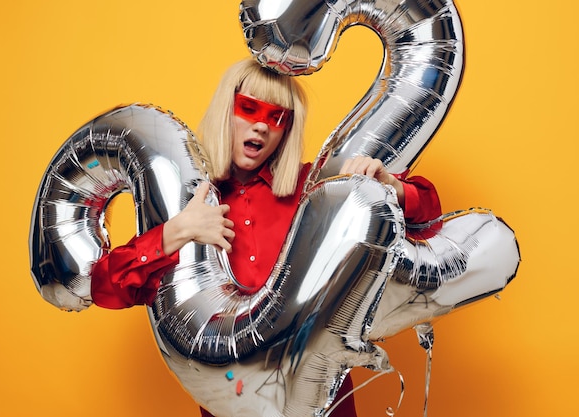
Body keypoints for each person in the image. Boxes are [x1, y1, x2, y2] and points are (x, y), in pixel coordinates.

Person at [90, 58, 442, 417]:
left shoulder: (315, 191)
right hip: (232, 404)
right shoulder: (187, 204)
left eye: (277, 117)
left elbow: (429, 216)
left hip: (323, 401)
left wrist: (392, 188)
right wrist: (177, 231)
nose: (260, 126)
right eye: (248, 109)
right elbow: (105, 286)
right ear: (225, 111)